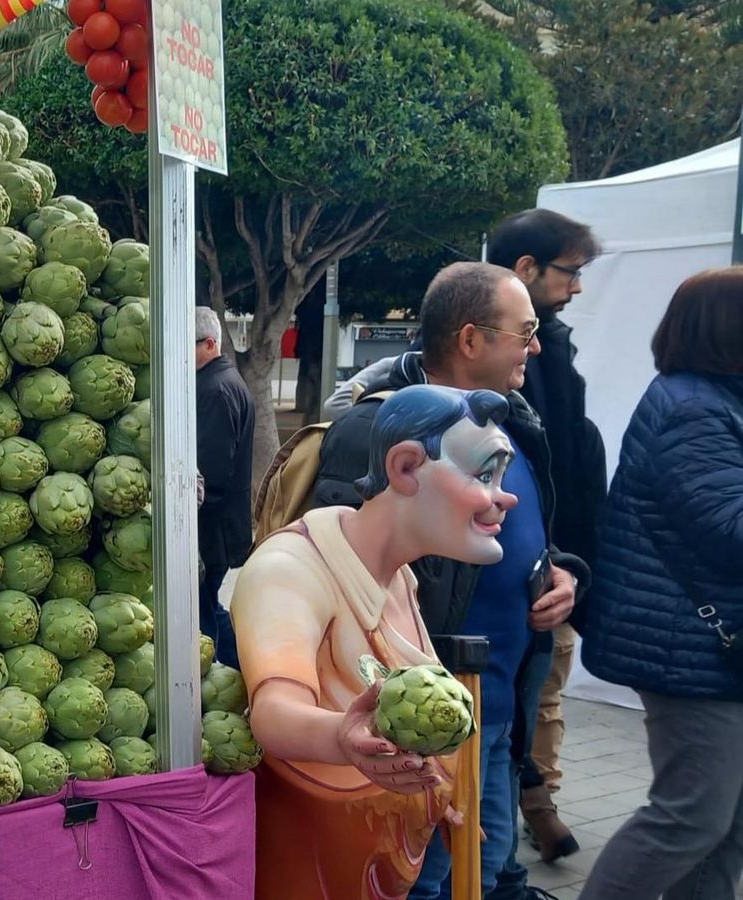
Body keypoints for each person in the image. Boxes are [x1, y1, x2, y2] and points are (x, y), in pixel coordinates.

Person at [311, 262, 587, 899]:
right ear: (471, 341)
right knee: (425, 881)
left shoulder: (512, 419)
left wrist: (565, 573)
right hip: (423, 719)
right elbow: (343, 576)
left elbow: (528, 535)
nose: (537, 346)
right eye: (526, 332)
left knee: (480, 874)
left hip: (496, 703)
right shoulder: (374, 427)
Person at [231, 384, 516, 900]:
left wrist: (438, 800)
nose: (505, 496)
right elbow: (272, 711)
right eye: (485, 474)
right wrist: (340, 736)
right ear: (405, 468)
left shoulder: (400, 577)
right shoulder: (289, 571)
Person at [578, 267, 743, 900]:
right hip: (689, 649)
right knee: (690, 817)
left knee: (724, 825)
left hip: (706, 647)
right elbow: (728, 530)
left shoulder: (713, 399)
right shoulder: (693, 410)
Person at [485, 209, 605, 870]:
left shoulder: (552, 348)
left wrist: (568, 566)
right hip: (513, 583)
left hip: (550, 566)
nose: (578, 287)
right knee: (516, 709)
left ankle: (533, 806)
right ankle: (527, 808)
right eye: (570, 272)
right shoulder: (471, 390)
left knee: (543, 691)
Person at [195, 306, 254, 668]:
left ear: (210, 344)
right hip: (220, 527)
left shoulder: (216, 390)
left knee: (201, 614)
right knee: (207, 606)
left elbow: (212, 470)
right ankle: (245, 670)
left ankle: (230, 673)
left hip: (211, 529)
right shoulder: (223, 382)